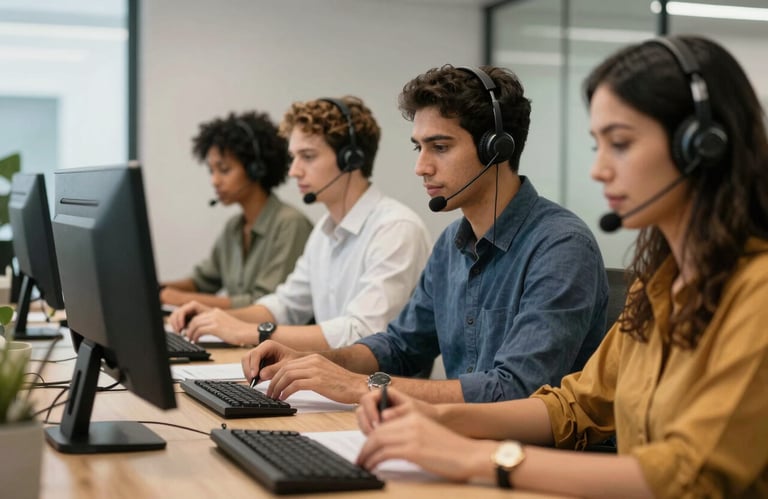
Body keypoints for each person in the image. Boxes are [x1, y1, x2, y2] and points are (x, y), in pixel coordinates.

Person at [355, 36, 768, 498]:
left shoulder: (758, 295)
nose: (598, 170)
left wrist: (477, 457)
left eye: (621, 143)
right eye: (598, 145)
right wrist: (436, 416)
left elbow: (687, 475)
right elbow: (576, 404)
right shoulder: (658, 282)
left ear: (702, 147)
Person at [241, 65, 608, 404]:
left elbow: (517, 390)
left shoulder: (560, 246)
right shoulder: (453, 243)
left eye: (440, 147)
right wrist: (311, 362)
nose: (421, 167)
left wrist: (359, 386)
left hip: (526, 459)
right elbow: (400, 346)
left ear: (496, 148)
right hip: (457, 438)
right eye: (420, 147)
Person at [169, 97, 432, 351]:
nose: (294, 170)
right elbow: (286, 305)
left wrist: (249, 331)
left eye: (307, 156)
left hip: (381, 392)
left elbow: (363, 332)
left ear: (351, 159)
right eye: (294, 157)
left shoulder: (395, 229)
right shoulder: (324, 231)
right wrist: (220, 317)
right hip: (331, 384)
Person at [160, 111, 312, 309]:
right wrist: (156, 289)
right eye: (211, 171)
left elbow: (264, 304)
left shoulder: (290, 224)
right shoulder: (233, 228)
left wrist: (179, 299)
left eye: (224, 169)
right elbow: (201, 282)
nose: (214, 181)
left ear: (255, 169)